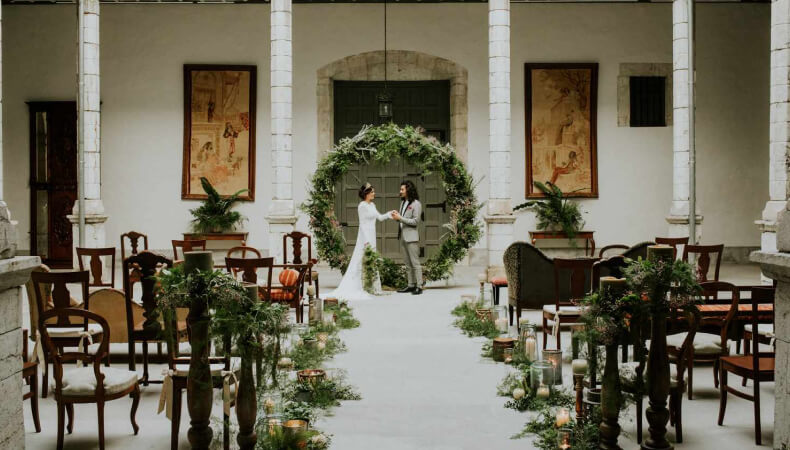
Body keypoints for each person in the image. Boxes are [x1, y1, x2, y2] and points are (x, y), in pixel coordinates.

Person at [326, 183, 392, 301]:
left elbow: (380, 217)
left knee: (371, 260)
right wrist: (366, 241)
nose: (374, 194)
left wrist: (390, 214)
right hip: (365, 237)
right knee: (361, 259)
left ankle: (372, 286)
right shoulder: (362, 206)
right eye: (372, 192)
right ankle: (360, 285)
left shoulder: (372, 205)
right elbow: (362, 224)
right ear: (366, 193)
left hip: (372, 235)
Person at [391, 180, 423, 295]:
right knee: (407, 263)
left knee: (415, 263)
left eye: (402, 189)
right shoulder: (403, 202)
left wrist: (400, 218)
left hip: (412, 237)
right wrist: (397, 215)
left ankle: (419, 286)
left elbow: (415, 221)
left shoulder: (416, 204)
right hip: (403, 237)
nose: (400, 191)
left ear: (408, 190)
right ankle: (410, 285)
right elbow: (402, 218)